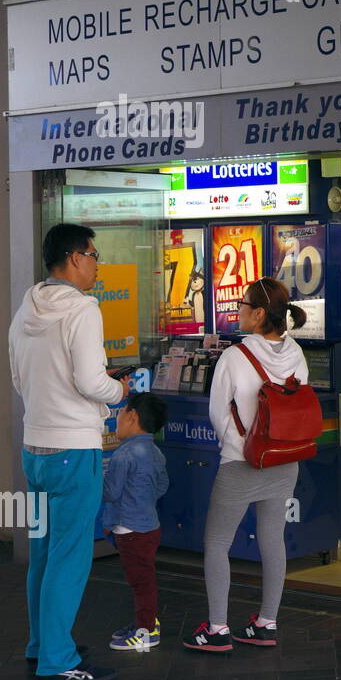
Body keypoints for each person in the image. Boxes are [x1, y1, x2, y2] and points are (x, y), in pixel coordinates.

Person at [9, 223, 130, 680]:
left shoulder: (27, 305)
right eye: (95, 255)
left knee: (43, 552)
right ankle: (57, 658)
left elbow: (18, 378)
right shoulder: (82, 310)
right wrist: (115, 390)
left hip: (35, 451)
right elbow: (89, 380)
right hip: (74, 451)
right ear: (76, 257)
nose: (98, 263)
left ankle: (41, 642)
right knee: (70, 555)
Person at [183, 277, 307, 652]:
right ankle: (266, 623)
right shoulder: (296, 353)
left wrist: (237, 447)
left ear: (257, 314)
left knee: (217, 542)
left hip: (242, 462)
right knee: (272, 539)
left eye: (241, 304)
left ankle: (217, 628)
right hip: (285, 460)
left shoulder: (235, 356)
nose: (236, 310)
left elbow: (218, 414)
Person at [103, 392, 170, 652]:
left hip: (130, 529)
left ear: (132, 416)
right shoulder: (155, 452)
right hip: (148, 526)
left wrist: (92, 476)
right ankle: (145, 622)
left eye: (120, 412)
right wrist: (143, 499)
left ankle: (146, 632)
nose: (116, 418)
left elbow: (110, 492)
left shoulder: (123, 455)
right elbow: (163, 485)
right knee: (142, 578)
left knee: (141, 583)